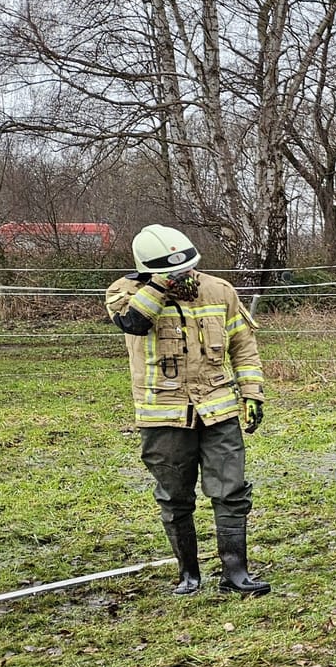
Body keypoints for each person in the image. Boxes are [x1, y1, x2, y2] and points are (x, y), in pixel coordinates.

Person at [105, 225, 270, 596]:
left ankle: (236, 572)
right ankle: (189, 574)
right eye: (175, 271)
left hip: (218, 409)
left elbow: (243, 346)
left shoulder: (219, 290)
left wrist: (252, 392)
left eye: (189, 268)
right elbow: (134, 323)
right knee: (175, 496)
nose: (186, 276)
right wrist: (160, 287)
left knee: (231, 490)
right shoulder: (124, 293)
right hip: (162, 414)